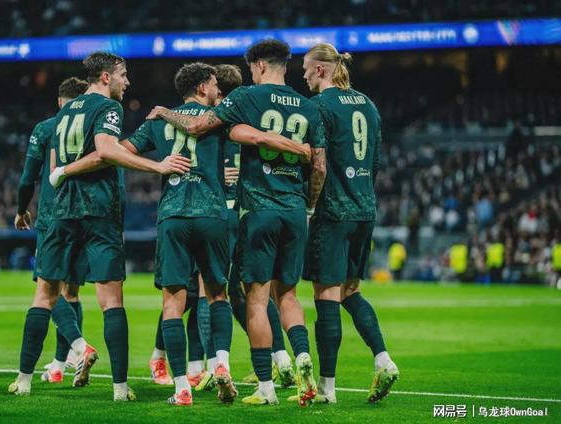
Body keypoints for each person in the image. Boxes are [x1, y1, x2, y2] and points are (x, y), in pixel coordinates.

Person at [148, 39, 326, 406]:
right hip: (296, 209)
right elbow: (319, 166)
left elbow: (197, 126)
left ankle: (265, 388)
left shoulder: (246, 96)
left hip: (258, 208)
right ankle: (299, 356)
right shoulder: (309, 106)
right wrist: (309, 205)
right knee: (288, 294)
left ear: (259, 65)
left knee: (254, 300)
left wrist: (164, 112)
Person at [9, 51, 191, 401]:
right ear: (106, 77)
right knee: (111, 301)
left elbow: (54, 167)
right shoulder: (109, 107)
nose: (127, 82)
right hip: (98, 211)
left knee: (44, 295)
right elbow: (106, 151)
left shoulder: (62, 114)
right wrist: (157, 166)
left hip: (60, 211)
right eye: (123, 74)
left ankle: (24, 380)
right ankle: (120, 388)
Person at [300, 43, 399, 404]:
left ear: (321, 69)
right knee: (350, 291)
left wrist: (311, 205)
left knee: (326, 295)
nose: (303, 74)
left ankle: (327, 389)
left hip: (333, 212)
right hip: (364, 209)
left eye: (306, 68)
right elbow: (375, 163)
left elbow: (319, 164)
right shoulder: (368, 104)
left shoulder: (318, 106)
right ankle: (383, 359)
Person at [15, 76, 89, 385]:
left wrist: (21, 209)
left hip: (53, 217)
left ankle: (79, 347)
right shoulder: (93, 127)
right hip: (85, 218)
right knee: (71, 293)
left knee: (46, 292)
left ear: (60, 101)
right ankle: (60, 364)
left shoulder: (46, 128)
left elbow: (27, 178)